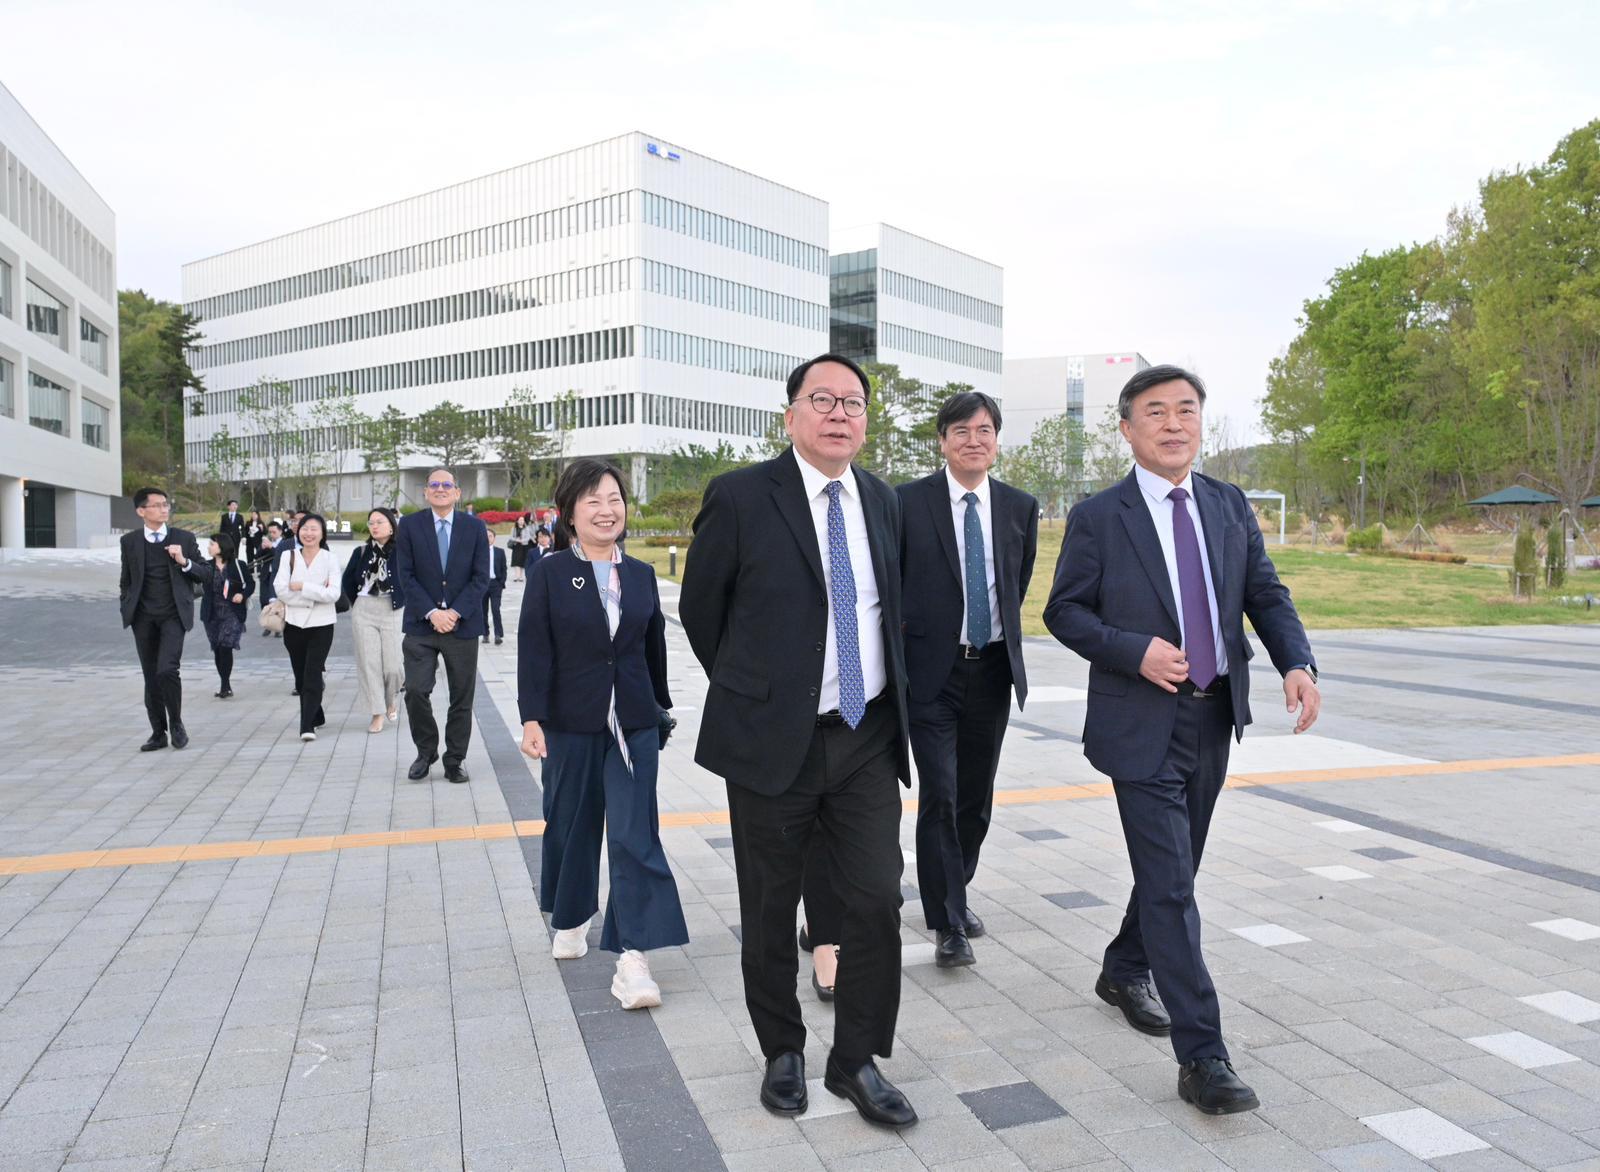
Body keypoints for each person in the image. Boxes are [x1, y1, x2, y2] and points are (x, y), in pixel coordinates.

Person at [1044, 365, 1321, 1116]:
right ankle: (1204, 1058)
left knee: (1177, 871)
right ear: (1129, 429)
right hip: (1139, 724)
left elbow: (1264, 592)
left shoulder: (1228, 506)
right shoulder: (1101, 516)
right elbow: (1063, 613)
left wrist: (1296, 661)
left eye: (1187, 410)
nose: (1174, 424)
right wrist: (1134, 650)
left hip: (1211, 715)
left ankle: (1123, 964)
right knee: (1170, 884)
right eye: (1156, 412)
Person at [680, 354, 915, 1128]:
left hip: (867, 736)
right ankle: (783, 1049)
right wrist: (761, 692)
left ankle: (855, 1060)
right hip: (771, 740)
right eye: (823, 399)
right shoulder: (743, 496)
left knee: (877, 898)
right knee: (770, 905)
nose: (840, 413)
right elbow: (701, 611)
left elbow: (891, 613)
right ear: (790, 415)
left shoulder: (882, 500)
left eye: (853, 402)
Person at [518, 458, 686, 1009]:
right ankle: (570, 917)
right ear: (569, 512)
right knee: (571, 823)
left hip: (632, 724)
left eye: (614, 498)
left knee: (636, 835)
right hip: (571, 723)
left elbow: (652, 647)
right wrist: (531, 718)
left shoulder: (639, 575)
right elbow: (534, 651)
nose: (606, 509)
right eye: (593, 500)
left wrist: (659, 709)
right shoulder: (547, 573)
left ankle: (633, 957)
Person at [899, 391, 1038, 968]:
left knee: (976, 800)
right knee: (942, 794)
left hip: (992, 672)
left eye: (984, 430)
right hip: (931, 674)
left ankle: (955, 890)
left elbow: (1017, 581)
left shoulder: (1018, 506)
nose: (973, 440)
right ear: (943, 441)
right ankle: (948, 921)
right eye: (961, 431)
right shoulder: (906, 502)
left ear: (996, 441)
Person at [395, 468, 491, 783]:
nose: (440, 489)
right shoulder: (410, 526)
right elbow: (405, 575)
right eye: (434, 485)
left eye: (446, 485)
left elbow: (480, 577)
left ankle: (454, 759)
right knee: (416, 691)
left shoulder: (474, 527)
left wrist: (455, 612)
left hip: (462, 627)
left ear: (457, 492)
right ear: (425, 492)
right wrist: (432, 612)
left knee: (461, 697)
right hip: (422, 627)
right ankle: (426, 751)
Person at [119, 488, 214, 751]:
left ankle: (177, 723)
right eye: (158, 505)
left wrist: (184, 561)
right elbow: (126, 580)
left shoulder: (183, 538)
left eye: (166, 504)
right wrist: (126, 606)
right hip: (142, 618)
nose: (164, 509)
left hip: (173, 615)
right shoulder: (130, 542)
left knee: (167, 670)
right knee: (151, 676)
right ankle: (158, 732)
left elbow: (206, 574)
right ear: (141, 511)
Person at [275, 512, 342, 743]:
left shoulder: (329, 559)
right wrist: (315, 594)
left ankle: (307, 725)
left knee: (313, 673)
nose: (309, 533)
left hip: (322, 625)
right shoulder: (288, 556)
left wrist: (302, 586)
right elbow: (281, 589)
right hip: (293, 624)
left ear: (322, 533)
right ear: (297, 530)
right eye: (304, 528)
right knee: (300, 676)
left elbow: (333, 593)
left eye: (314, 529)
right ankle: (317, 711)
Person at [342, 507, 406, 734]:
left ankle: (391, 699)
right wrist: (357, 604)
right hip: (364, 609)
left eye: (380, 521)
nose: (375, 526)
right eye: (371, 522)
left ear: (391, 525)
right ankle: (377, 712)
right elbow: (348, 581)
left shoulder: (403, 551)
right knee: (369, 664)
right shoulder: (361, 551)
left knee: (393, 666)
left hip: (393, 609)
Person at [201, 533, 254, 699]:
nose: (209, 547)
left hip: (232, 611)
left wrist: (243, 595)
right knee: (217, 648)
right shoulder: (205, 566)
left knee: (226, 647)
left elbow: (250, 584)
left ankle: (225, 685)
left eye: (212, 544)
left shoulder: (238, 565)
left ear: (222, 546)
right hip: (212, 612)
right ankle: (225, 682)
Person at [257, 521, 285, 637]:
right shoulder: (267, 542)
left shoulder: (284, 544)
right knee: (264, 600)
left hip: (278, 576)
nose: (272, 534)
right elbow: (257, 556)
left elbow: (281, 556)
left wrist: (271, 547)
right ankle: (267, 625)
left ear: (280, 532)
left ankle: (278, 627)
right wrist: (263, 548)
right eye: (270, 532)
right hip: (265, 574)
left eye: (274, 532)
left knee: (276, 601)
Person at [483, 530, 508, 645]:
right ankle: (485, 634)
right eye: (486, 536)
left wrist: (501, 583)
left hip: (495, 584)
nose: (488, 538)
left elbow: (504, 568)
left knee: (495, 609)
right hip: (482, 584)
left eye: (490, 536)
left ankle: (498, 634)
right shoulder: (479, 552)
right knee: (483, 611)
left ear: (494, 538)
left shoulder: (500, 552)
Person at [509, 516, 531, 583]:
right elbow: (511, 537)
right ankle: (517, 576)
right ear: (517, 521)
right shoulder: (514, 528)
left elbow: (528, 537)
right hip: (516, 546)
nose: (521, 521)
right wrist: (516, 540)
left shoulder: (526, 528)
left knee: (522, 561)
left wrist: (522, 540)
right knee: (516, 560)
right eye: (520, 520)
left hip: (524, 546)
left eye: (523, 520)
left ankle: (521, 576)